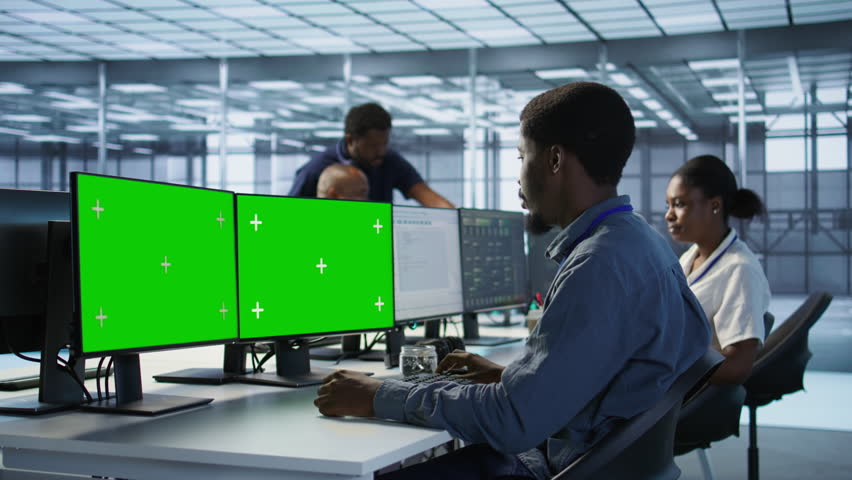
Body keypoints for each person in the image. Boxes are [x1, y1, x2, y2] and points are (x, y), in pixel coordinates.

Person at [313, 82, 711, 480]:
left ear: (554, 160)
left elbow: (511, 422)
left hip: (561, 468)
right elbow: (596, 383)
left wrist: (377, 394)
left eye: (522, 156)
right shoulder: (640, 243)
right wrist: (507, 377)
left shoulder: (598, 265)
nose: (517, 176)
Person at [665, 155, 771, 384]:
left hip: (682, 394)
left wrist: (665, 365)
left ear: (715, 205)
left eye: (679, 204)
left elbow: (737, 367)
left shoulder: (739, 270)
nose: (669, 215)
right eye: (669, 205)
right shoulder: (689, 258)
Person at [288, 102, 455, 208]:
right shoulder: (316, 169)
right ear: (351, 140)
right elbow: (289, 215)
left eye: (385, 143)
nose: (381, 151)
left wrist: (457, 223)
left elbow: (426, 195)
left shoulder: (389, 161)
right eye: (373, 146)